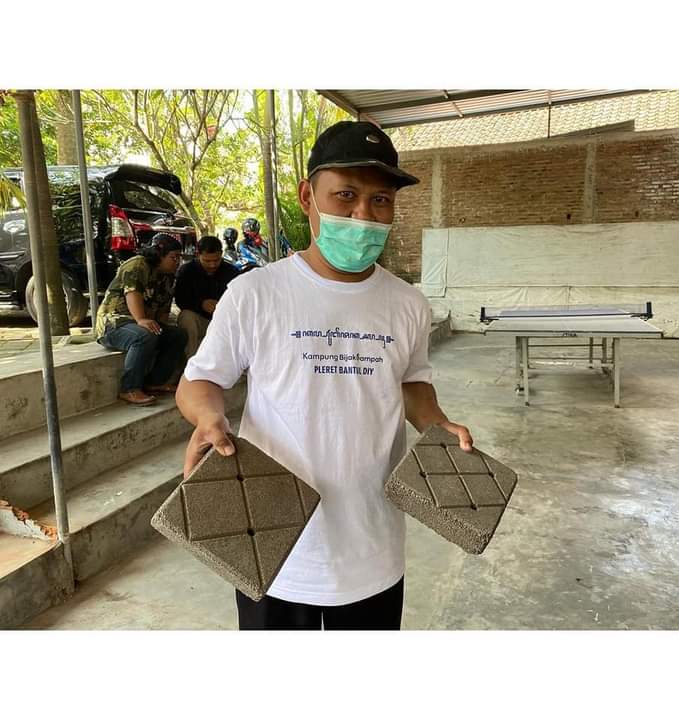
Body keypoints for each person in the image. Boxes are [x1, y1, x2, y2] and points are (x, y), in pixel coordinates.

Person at [176, 120, 473, 630]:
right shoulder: (255, 294)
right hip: (274, 546)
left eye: (381, 200)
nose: (364, 215)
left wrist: (437, 422)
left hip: (373, 547)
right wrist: (208, 418)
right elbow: (199, 381)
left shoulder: (407, 304)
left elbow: (412, 383)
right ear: (307, 197)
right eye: (346, 195)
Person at [96, 233, 187, 406]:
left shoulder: (168, 276)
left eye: (179, 258)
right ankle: (129, 388)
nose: (177, 262)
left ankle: (156, 382)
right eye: (173, 257)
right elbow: (132, 292)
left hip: (138, 323)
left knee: (178, 335)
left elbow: (163, 309)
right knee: (144, 335)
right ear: (159, 255)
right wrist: (141, 319)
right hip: (113, 323)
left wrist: (161, 328)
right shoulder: (137, 264)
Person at [174, 235, 240, 359]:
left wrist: (223, 306)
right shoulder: (187, 271)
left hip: (225, 321)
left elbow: (240, 299)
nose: (212, 265)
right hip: (200, 319)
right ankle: (191, 363)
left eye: (216, 260)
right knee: (186, 317)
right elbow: (180, 299)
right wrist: (201, 304)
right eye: (207, 261)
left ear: (221, 254)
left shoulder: (232, 272)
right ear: (198, 255)